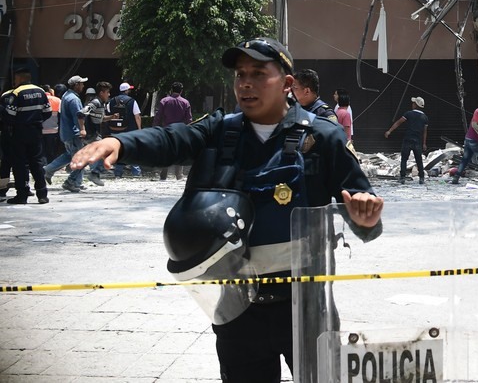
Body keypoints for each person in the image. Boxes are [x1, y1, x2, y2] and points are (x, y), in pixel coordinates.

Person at [71, 37, 383, 382]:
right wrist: (120, 142)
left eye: (258, 74)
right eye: (240, 75)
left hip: (308, 307)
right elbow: (172, 139)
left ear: (288, 84)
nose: (245, 83)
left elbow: (360, 200)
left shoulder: (324, 137)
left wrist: (364, 218)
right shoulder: (220, 131)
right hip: (236, 307)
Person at [2, 69, 52, 204]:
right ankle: (42, 194)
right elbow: (47, 112)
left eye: (16, 79)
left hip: (19, 133)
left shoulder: (16, 93)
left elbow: (9, 115)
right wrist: (36, 120)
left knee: (20, 165)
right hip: (36, 132)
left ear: (20, 78)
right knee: (37, 163)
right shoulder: (40, 91)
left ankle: (22, 195)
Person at [44, 76, 88, 193]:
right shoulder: (74, 99)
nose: (83, 86)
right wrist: (82, 130)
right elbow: (79, 116)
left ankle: (48, 170)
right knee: (81, 159)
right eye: (81, 84)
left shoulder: (66, 96)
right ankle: (71, 182)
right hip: (74, 133)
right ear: (76, 85)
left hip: (66, 132)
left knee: (69, 156)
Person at [384, 97, 428, 184]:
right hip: (417, 141)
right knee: (419, 160)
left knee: (404, 159)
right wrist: (424, 143)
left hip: (408, 139)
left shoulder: (408, 114)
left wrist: (389, 131)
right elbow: (425, 132)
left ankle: (402, 177)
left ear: (415, 105)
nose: (412, 104)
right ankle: (421, 178)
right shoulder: (425, 117)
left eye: (413, 103)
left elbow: (398, 122)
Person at [155, 82, 192, 180]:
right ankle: (179, 175)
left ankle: (163, 175)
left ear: (171, 90)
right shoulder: (185, 102)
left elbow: (158, 117)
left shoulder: (164, 101)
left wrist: (155, 128)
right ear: (181, 91)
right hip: (180, 131)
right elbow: (189, 120)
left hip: (167, 130)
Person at [108, 82, 142, 177]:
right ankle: (136, 172)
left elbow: (108, 114)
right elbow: (137, 116)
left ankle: (118, 172)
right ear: (126, 90)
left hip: (115, 130)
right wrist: (139, 129)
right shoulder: (132, 101)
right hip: (129, 130)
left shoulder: (112, 101)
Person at [82, 82, 112, 186]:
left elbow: (100, 118)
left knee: (80, 156)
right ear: (101, 93)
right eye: (107, 92)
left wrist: (112, 117)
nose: (109, 95)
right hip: (91, 133)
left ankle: (50, 170)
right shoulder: (95, 102)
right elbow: (82, 113)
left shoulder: (100, 103)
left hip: (94, 133)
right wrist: (82, 129)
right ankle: (94, 173)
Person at [41, 85, 62, 162]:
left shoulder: (39, 99)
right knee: (51, 151)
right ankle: (50, 167)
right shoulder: (57, 100)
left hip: (40, 130)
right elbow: (61, 116)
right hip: (53, 130)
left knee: (41, 152)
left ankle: (42, 167)